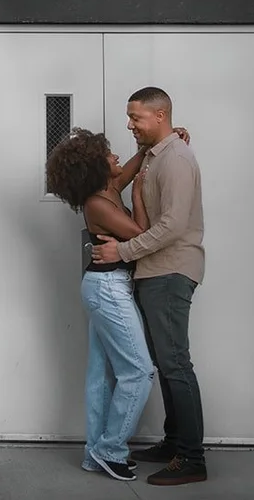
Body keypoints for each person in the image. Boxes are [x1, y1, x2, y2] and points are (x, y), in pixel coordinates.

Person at [45, 124, 187, 482]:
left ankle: (96, 454)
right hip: (107, 288)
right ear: (95, 167)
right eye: (109, 155)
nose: (117, 157)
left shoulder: (108, 187)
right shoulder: (99, 203)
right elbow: (143, 235)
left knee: (102, 375)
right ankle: (111, 449)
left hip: (105, 285)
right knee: (138, 371)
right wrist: (139, 197)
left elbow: (132, 165)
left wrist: (159, 141)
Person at [91, 86, 207, 486]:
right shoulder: (158, 156)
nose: (130, 124)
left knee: (175, 365)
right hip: (154, 272)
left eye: (136, 117)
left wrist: (122, 252)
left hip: (170, 272)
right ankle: (175, 443)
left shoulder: (175, 158)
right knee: (167, 361)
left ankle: (192, 458)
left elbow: (172, 226)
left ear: (160, 116)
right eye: (129, 117)